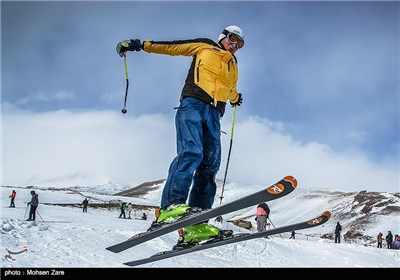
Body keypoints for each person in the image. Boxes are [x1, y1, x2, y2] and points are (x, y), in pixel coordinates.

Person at [116, 25, 244, 244]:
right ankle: (170, 207)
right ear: (223, 36)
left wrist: (234, 98)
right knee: (191, 152)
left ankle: (197, 223)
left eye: (240, 44)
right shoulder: (205, 47)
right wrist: (140, 45)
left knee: (210, 164)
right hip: (193, 105)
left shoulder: (233, 64)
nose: (235, 45)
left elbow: (230, 87)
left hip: (214, 114)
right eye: (233, 39)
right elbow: (172, 48)